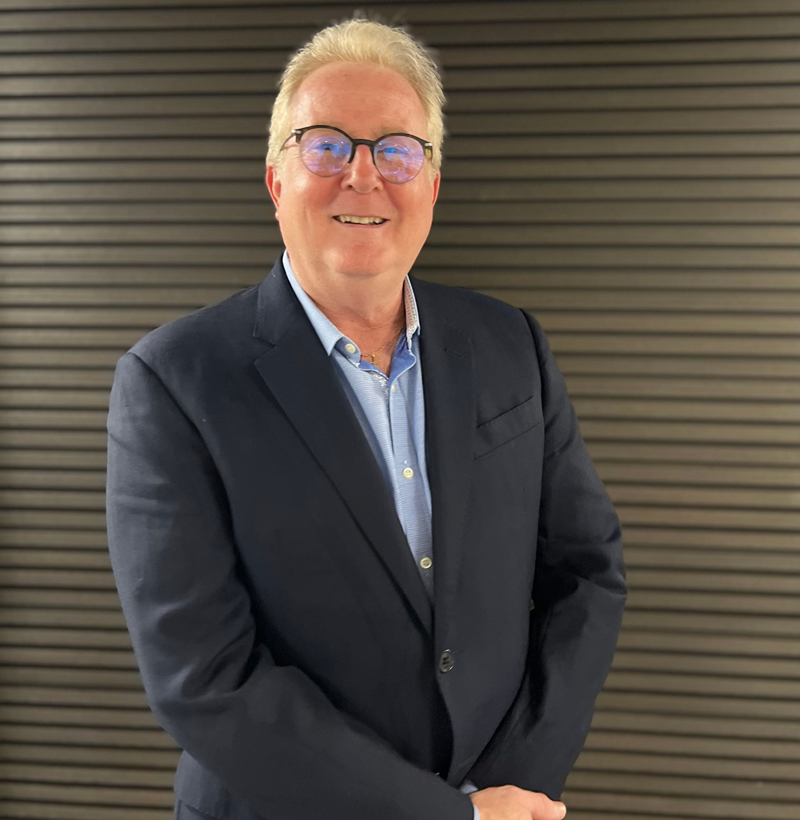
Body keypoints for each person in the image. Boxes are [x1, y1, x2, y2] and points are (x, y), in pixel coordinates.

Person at [106, 18, 626, 820]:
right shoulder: (173, 383)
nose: (363, 175)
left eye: (396, 150)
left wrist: (515, 788)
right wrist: (447, 816)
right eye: (326, 146)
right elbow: (205, 680)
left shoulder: (510, 343)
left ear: (431, 185)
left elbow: (587, 573)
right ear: (276, 180)